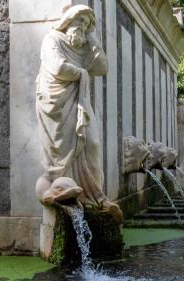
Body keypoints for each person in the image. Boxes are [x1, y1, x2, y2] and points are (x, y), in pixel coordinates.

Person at [35, 5, 122, 221]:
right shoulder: (52, 39)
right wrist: (82, 73)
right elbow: (58, 68)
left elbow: (102, 67)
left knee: (92, 143)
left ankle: (92, 195)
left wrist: (93, 39)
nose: (82, 25)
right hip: (55, 104)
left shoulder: (82, 45)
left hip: (79, 101)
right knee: (62, 148)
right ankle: (63, 190)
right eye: (79, 20)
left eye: (86, 22)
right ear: (67, 20)